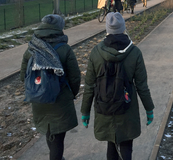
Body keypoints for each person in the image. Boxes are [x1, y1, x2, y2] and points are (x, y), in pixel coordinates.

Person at [81, 12, 154, 160]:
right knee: (126, 144)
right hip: (127, 107)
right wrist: (149, 109)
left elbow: (89, 85)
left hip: (104, 105)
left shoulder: (96, 52)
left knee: (111, 144)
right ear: (123, 29)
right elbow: (141, 85)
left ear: (107, 29)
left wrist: (85, 111)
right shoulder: (134, 52)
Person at [20, 14, 81, 160]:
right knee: (58, 137)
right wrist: (72, 93)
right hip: (59, 99)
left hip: (39, 99)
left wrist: (38, 89)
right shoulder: (64, 49)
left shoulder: (31, 48)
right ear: (59, 28)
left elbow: (23, 76)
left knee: (50, 132)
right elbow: (75, 77)